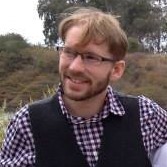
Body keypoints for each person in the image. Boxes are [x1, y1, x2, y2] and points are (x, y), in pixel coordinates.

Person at [0, 7, 167, 167]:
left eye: (91, 57)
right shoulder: (27, 123)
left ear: (116, 70)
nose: (75, 67)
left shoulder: (146, 115)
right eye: (69, 52)